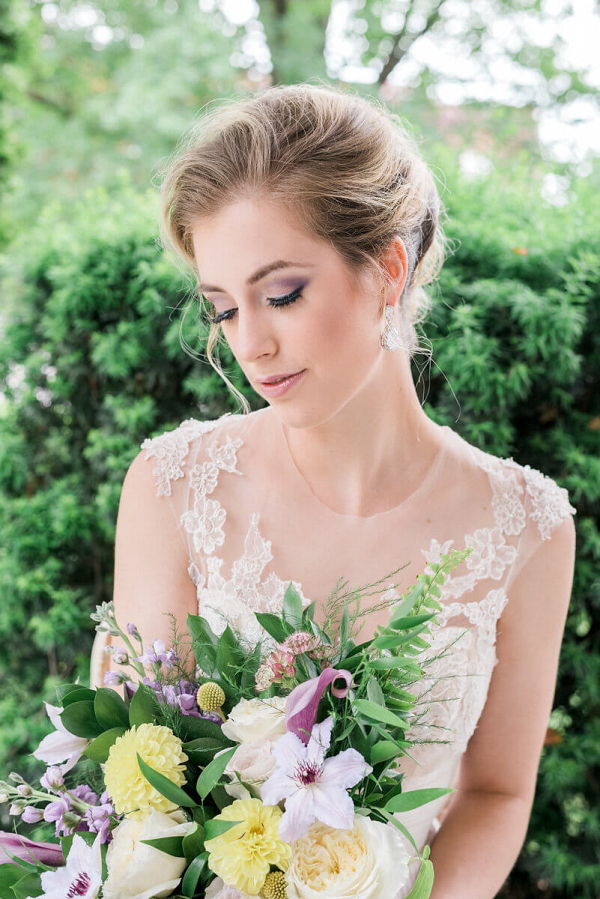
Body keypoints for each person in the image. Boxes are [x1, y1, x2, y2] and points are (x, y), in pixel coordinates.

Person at [94, 83, 577, 898]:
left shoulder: (527, 525)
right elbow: (145, 784)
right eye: (222, 308)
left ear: (388, 267)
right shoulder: (174, 489)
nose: (250, 342)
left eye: (282, 293)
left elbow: (496, 791)